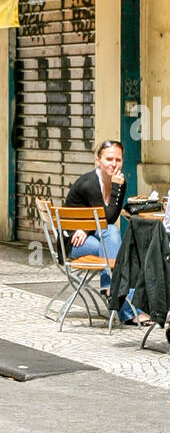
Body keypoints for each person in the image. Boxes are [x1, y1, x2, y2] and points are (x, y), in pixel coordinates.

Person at [64, 138, 139, 323]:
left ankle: (109, 288)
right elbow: (108, 217)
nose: (114, 164)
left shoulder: (118, 181)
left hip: (91, 234)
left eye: (118, 160)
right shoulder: (89, 184)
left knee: (112, 233)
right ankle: (124, 304)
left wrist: (88, 229)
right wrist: (117, 189)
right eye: (109, 159)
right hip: (73, 241)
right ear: (98, 160)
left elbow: (105, 221)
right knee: (112, 242)